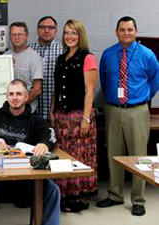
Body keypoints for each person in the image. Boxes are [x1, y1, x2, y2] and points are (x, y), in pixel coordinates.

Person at [0, 79, 60, 225]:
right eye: (11, 94)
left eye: (19, 94)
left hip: (26, 174)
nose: (14, 98)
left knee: (53, 190)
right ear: (6, 97)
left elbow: (51, 135)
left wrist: (44, 144)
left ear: (26, 97)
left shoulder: (36, 120)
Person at [97, 16, 159, 216]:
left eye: (130, 30)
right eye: (122, 30)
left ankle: (138, 200)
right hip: (113, 110)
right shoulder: (107, 55)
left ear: (136, 31)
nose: (126, 33)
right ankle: (115, 195)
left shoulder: (147, 54)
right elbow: (105, 80)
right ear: (116, 32)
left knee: (138, 156)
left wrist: (143, 97)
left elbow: (155, 79)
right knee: (114, 154)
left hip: (137, 111)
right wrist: (113, 101)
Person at [51, 19, 98, 212]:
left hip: (80, 116)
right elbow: (57, 88)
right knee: (62, 155)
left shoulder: (87, 58)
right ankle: (62, 194)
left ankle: (77, 197)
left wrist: (86, 118)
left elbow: (90, 90)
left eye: (73, 33)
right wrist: (52, 110)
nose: (69, 36)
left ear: (80, 36)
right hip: (61, 117)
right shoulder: (61, 58)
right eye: (67, 33)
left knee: (78, 156)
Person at [30, 16, 63, 121]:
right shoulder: (29, 49)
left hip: (56, 111)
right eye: (43, 27)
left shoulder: (64, 50)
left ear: (56, 31)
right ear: (37, 30)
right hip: (33, 110)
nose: (46, 30)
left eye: (51, 27)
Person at [4, 22, 43, 113]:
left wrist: (20, 106)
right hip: (8, 112)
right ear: (10, 37)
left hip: (28, 111)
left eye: (20, 34)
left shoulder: (34, 57)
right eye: (14, 34)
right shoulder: (5, 56)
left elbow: (37, 89)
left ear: (27, 36)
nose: (16, 37)